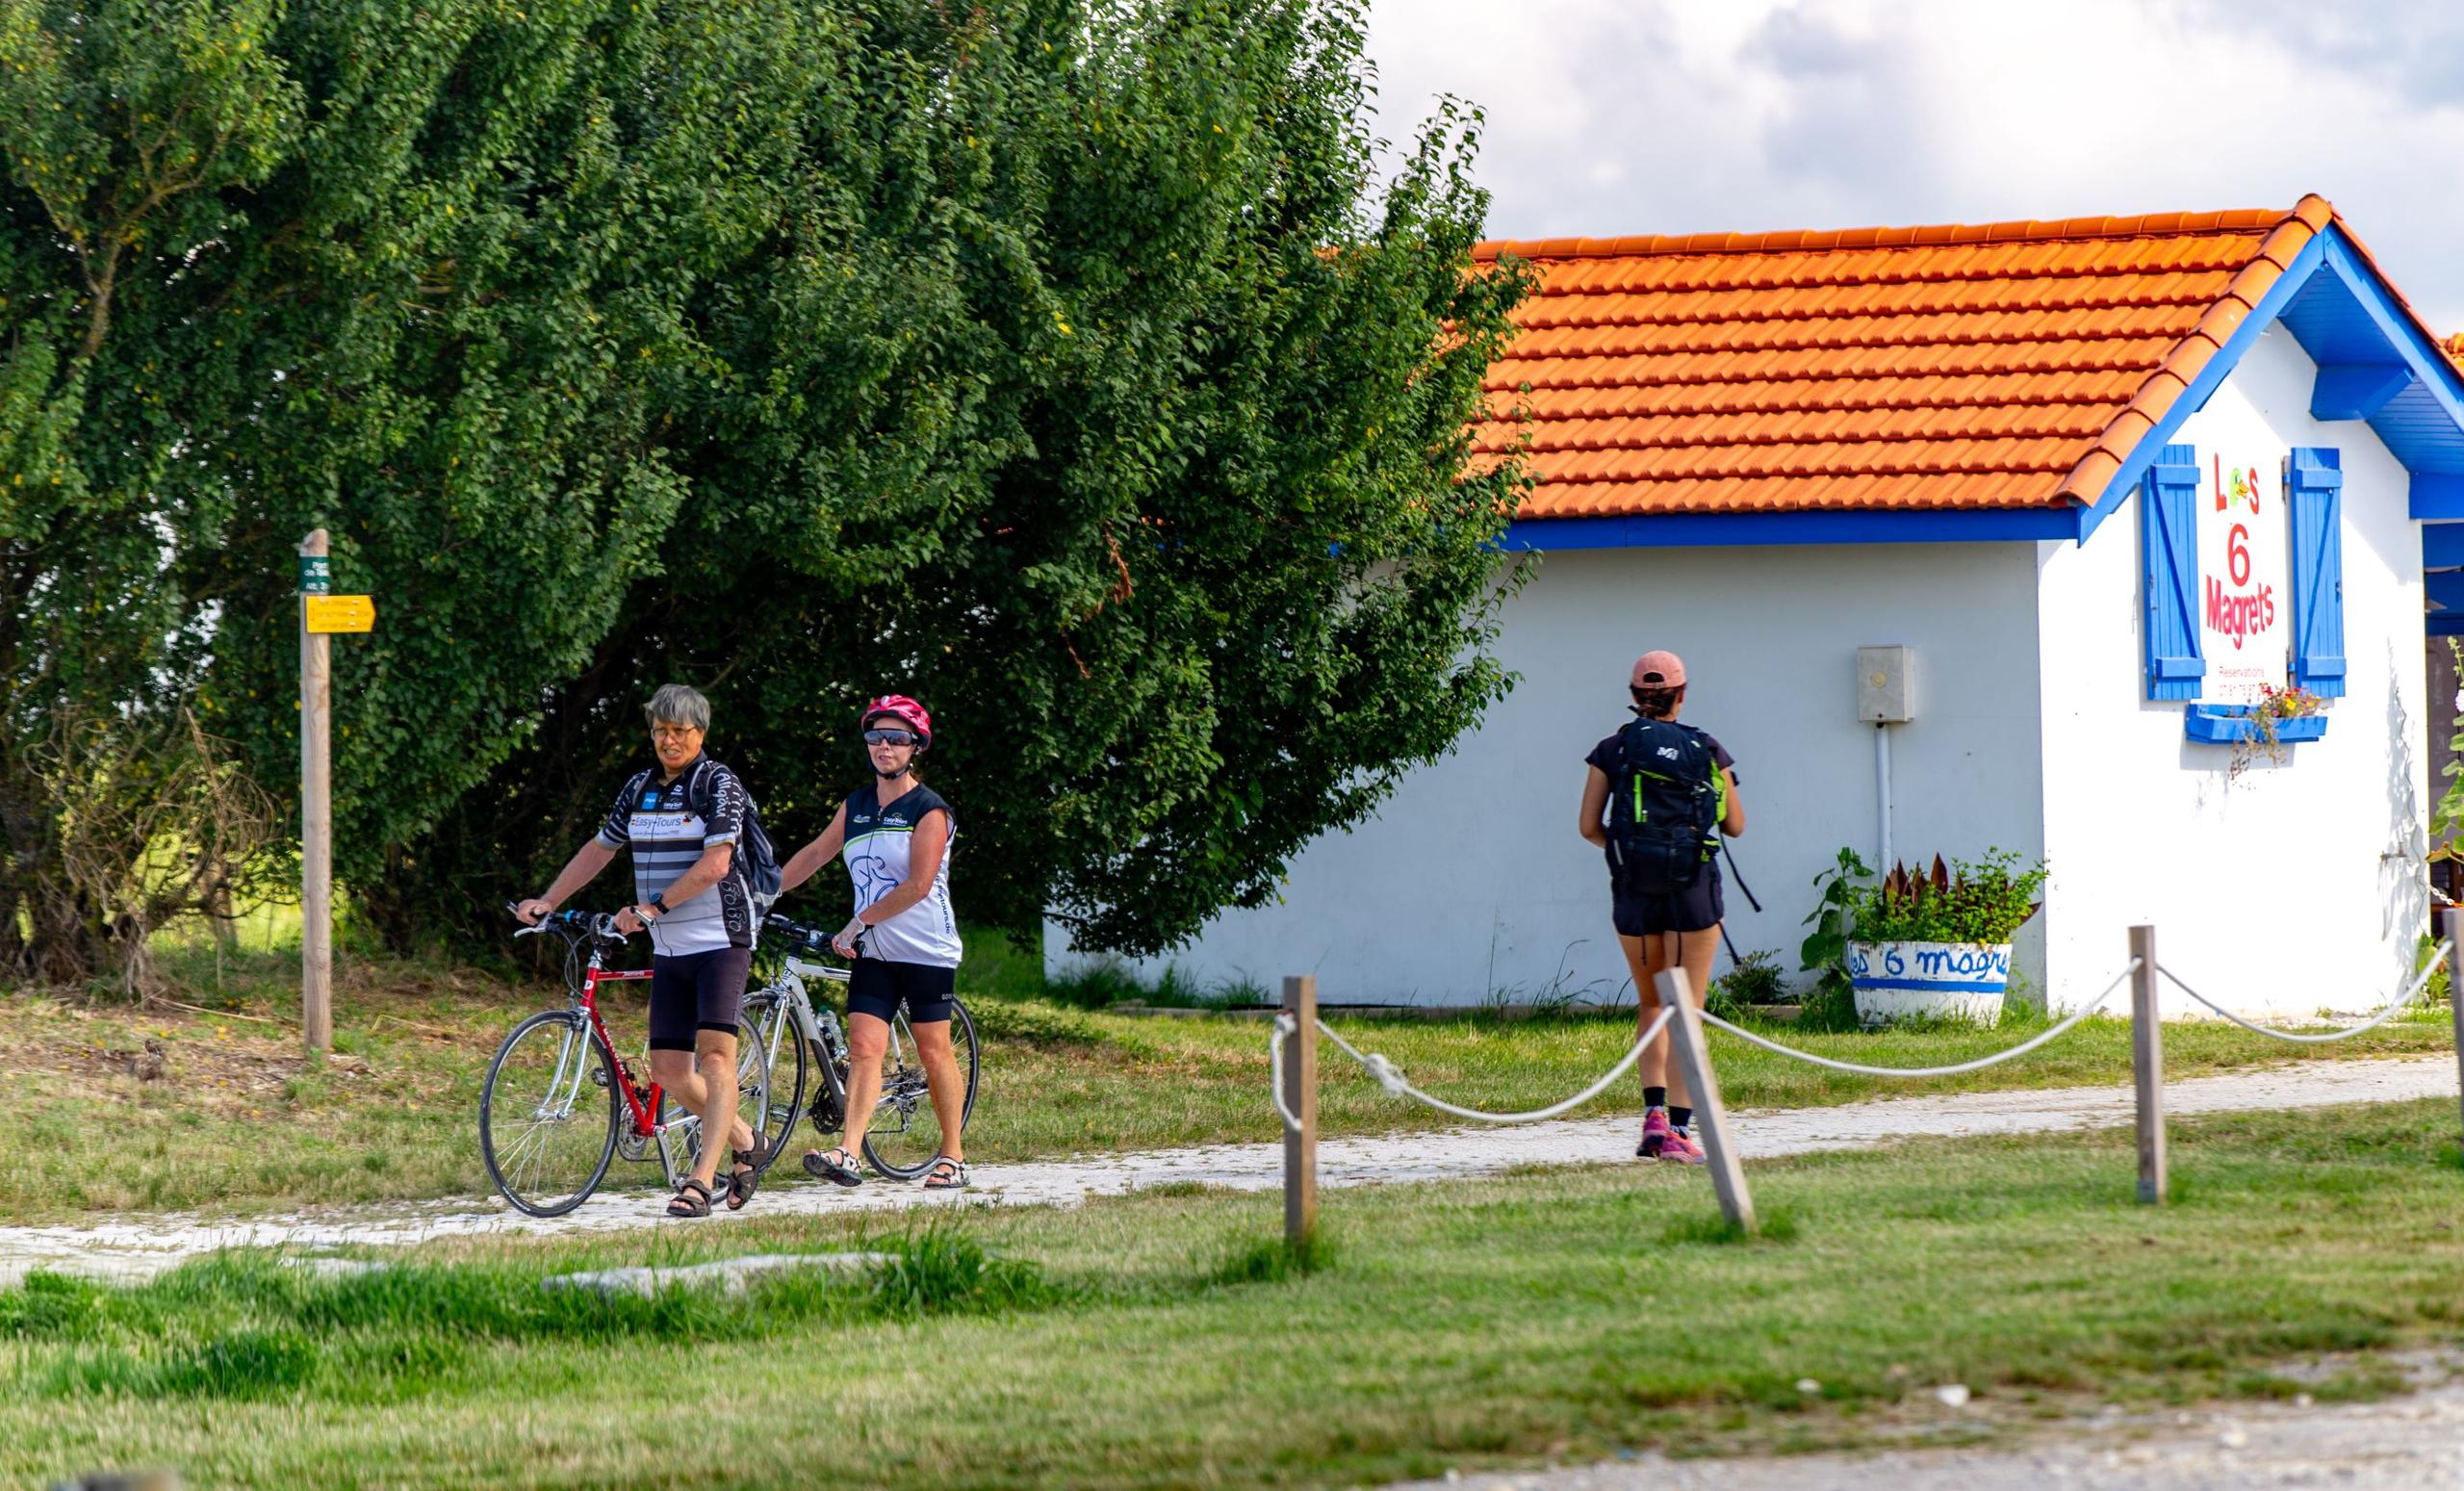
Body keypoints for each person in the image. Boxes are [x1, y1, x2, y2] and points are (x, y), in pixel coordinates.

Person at [516, 682, 770, 1218]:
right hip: (670, 945)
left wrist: (654, 906)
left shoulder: (716, 783)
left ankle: (700, 1181)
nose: (669, 741)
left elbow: (717, 865)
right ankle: (749, 1140)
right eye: (661, 731)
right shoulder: (640, 787)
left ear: (700, 733)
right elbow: (600, 848)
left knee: (716, 1056)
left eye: (680, 731)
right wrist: (548, 899)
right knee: (670, 1072)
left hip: (721, 938)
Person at [779, 695, 971, 1190]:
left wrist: (857, 922)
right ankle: (849, 1151)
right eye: (875, 738)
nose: (884, 746)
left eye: (897, 739)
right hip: (875, 951)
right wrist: (765, 889)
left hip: (925, 948)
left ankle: (953, 1155)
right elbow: (818, 852)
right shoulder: (858, 804)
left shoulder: (930, 810)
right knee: (865, 1048)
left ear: (915, 747)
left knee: (934, 1051)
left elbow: (918, 885)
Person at [1577, 651, 1745, 1165]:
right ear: (1682, 694)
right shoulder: (1707, 748)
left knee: (1652, 1004)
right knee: (1687, 1012)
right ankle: (1678, 1130)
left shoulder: (1613, 749)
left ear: (1634, 695)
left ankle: (1652, 1121)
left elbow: (1588, 827)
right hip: (1694, 891)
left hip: (1634, 889)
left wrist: (1633, 854)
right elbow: (1735, 825)